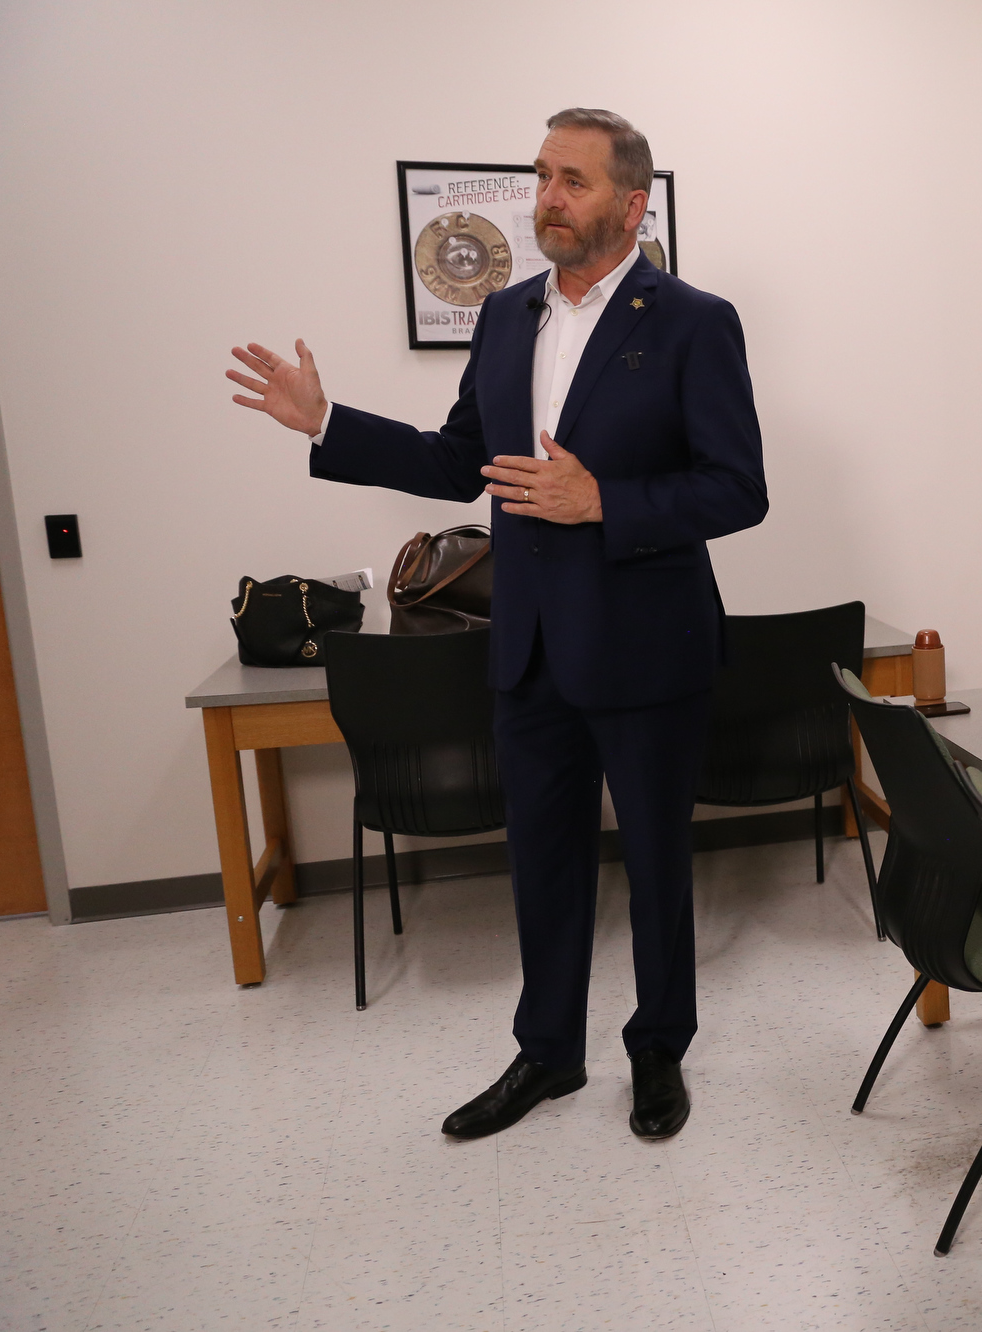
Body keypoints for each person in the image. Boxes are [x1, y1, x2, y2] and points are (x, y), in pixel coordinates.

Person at [227, 108, 768, 1141]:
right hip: (525, 648)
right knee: (545, 861)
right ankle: (547, 1055)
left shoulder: (693, 320)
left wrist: (602, 499)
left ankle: (658, 1048)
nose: (546, 199)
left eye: (571, 181)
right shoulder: (507, 313)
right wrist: (329, 425)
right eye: (541, 177)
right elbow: (455, 458)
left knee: (655, 861)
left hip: (648, 647)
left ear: (632, 202)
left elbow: (736, 490)